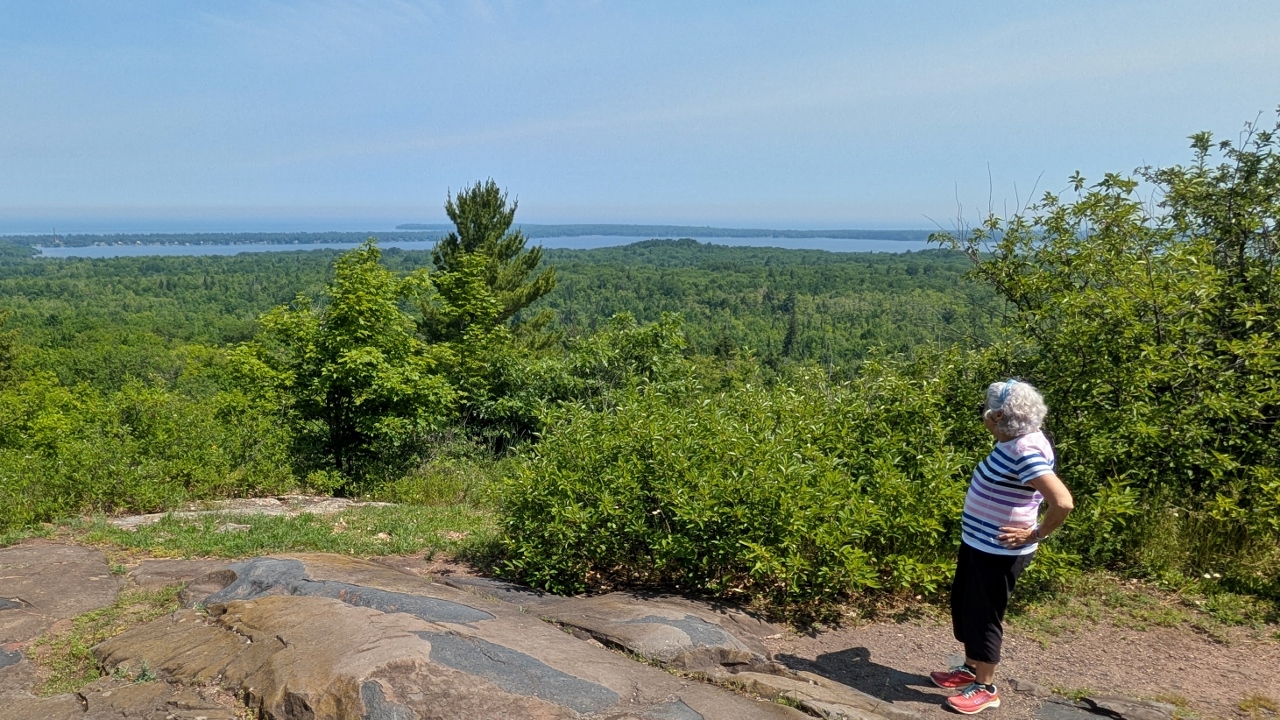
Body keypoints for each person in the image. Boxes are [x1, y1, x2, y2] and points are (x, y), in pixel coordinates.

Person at [931, 379, 1073, 714]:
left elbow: (1063, 502)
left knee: (984, 615)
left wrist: (1035, 534)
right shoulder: (1015, 438)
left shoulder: (1025, 451)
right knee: (966, 606)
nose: (985, 416)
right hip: (979, 542)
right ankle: (969, 669)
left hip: (999, 551)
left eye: (989, 411)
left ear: (1000, 417)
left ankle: (986, 688)